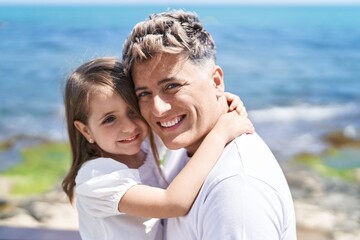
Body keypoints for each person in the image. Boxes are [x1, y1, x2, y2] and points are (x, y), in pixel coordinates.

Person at [122, 9, 297, 239]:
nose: (157, 109)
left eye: (172, 86)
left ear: (216, 81)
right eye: (144, 94)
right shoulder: (186, 143)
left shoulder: (236, 189)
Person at [61, 57, 254, 240]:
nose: (129, 126)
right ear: (86, 130)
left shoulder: (143, 142)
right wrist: (220, 135)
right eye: (109, 119)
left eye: (132, 111)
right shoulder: (96, 178)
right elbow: (172, 204)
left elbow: (182, 122)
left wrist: (219, 100)